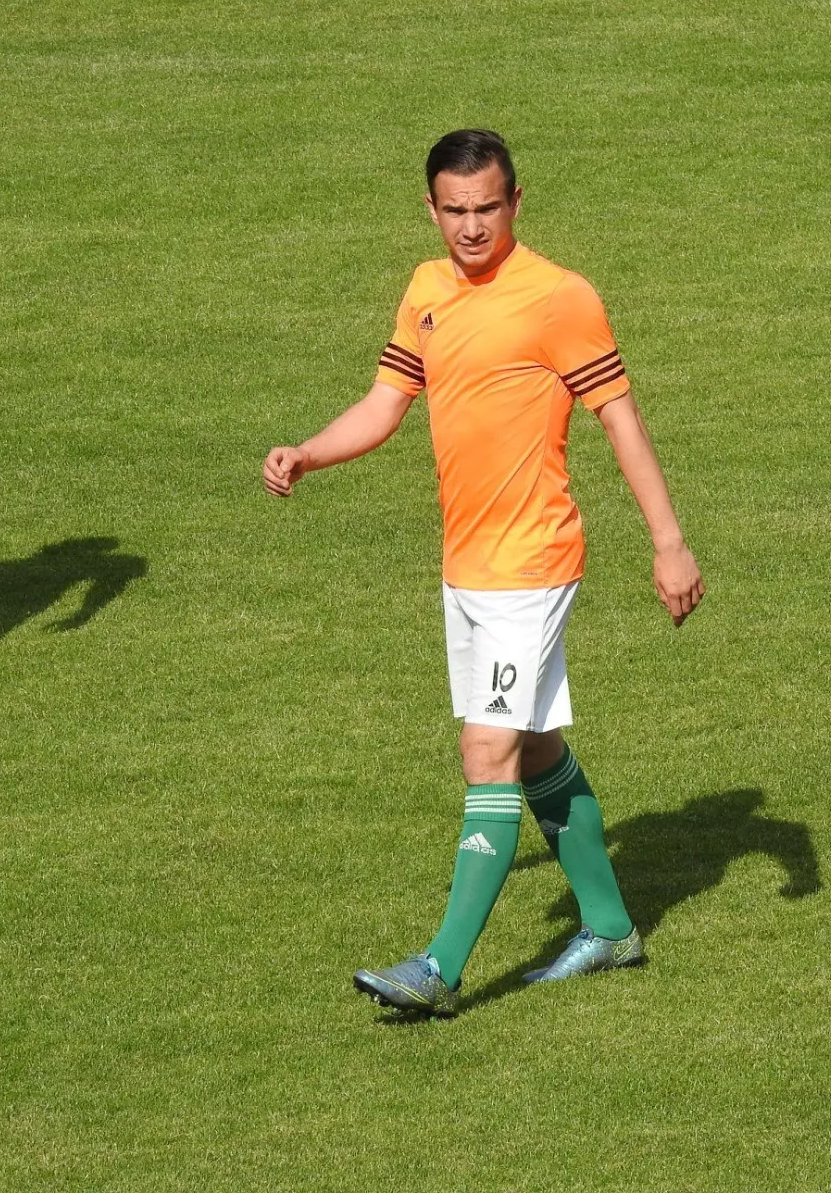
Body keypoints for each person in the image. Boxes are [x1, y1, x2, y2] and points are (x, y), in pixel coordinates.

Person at [262, 129, 704, 1016]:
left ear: (516, 202)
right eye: (455, 210)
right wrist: (309, 452)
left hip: (531, 564)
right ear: (431, 209)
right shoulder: (426, 290)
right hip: (466, 567)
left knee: (486, 751)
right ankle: (611, 928)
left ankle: (440, 969)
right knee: (534, 746)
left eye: (488, 208)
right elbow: (385, 404)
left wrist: (669, 542)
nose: (472, 227)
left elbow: (620, 418)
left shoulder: (559, 297)